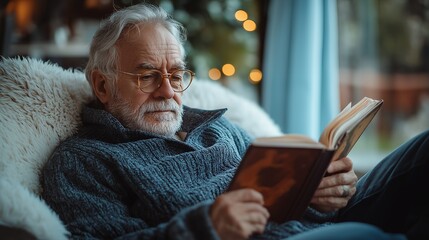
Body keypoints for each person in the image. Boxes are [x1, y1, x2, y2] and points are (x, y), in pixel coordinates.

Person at [41, 3, 428, 240]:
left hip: (318, 226)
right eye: (146, 76)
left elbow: (283, 205)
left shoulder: (219, 128)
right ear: (102, 86)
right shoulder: (82, 160)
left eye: (176, 76)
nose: (167, 91)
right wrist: (202, 230)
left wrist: (319, 196)